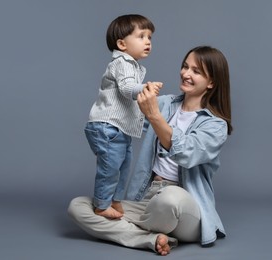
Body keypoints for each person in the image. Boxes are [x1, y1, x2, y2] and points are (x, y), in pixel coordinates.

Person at [69, 45, 233, 255]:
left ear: (211, 82)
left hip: (184, 206)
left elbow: (187, 153)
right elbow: (125, 118)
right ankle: (152, 239)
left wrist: (155, 116)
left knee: (170, 198)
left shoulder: (215, 125)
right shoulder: (165, 104)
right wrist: (116, 82)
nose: (186, 74)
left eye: (196, 71)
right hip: (147, 200)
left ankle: (133, 230)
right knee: (79, 206)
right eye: (185, 67)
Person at [85, 14, 162, 219]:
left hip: (119, 129)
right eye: (141, 36)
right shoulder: (122, 63)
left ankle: (115, 201)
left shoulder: (133, 65)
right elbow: (127, 88)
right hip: (107, 127)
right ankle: (102, 205)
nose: (147, 42)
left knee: (123, 167)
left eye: (150, 37)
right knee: (110, 168)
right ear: (122, 44)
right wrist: (145, 88)